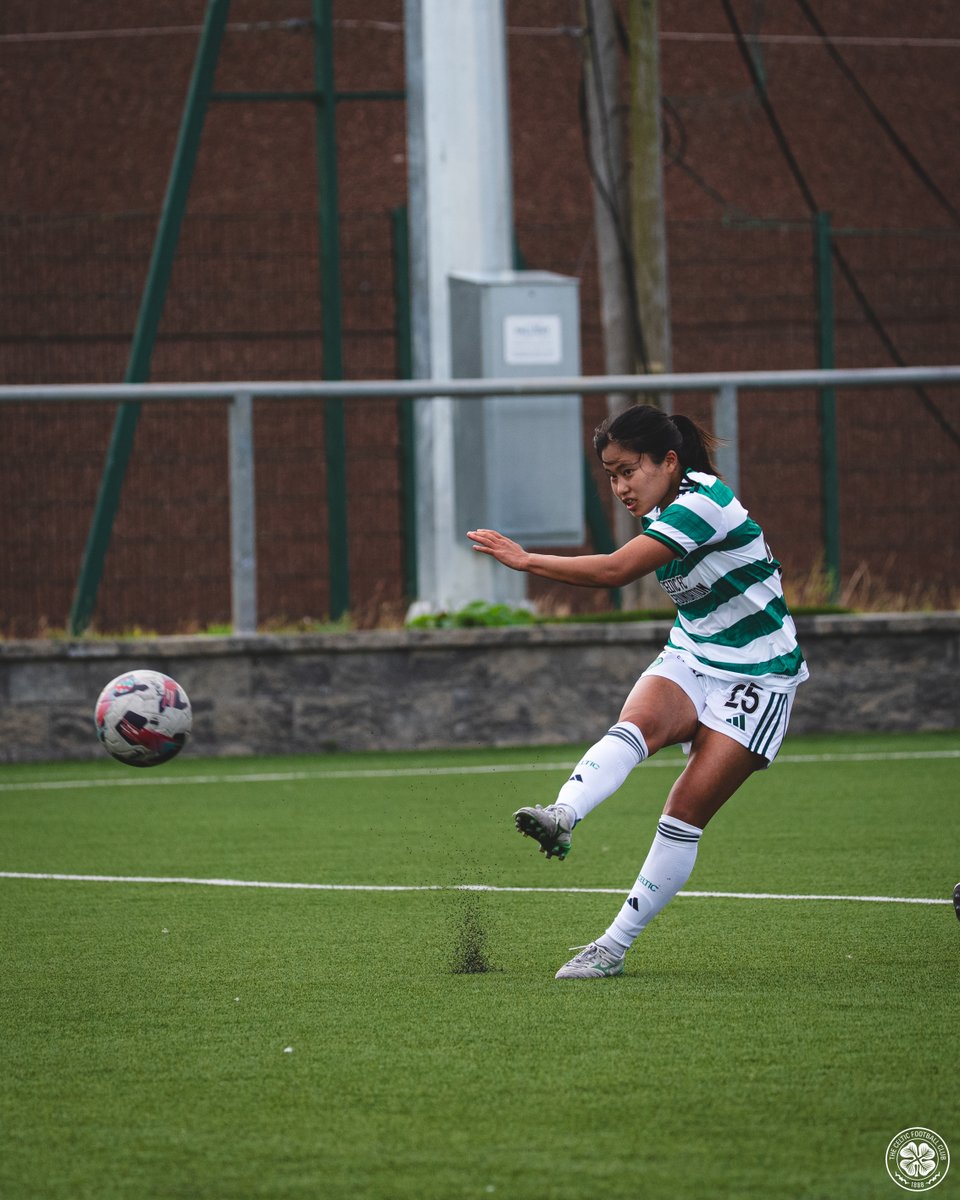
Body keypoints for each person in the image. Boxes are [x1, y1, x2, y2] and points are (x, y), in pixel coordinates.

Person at [467, 404, 808, 980]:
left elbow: (613, 572)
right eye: (611, 475)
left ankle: (611, 947)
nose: (621, 487)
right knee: (635, 727)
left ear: (669, 461)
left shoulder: (701, 504)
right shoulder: (660, 507)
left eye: (628, 471)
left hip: (759, 673)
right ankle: (563, 812)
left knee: (682, 814)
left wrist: (525, 560)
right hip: (693, 652)